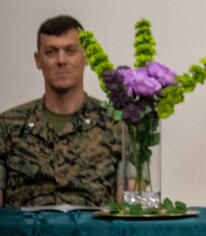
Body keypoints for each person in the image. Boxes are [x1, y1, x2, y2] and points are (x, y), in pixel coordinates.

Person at [0, 15, 122, 207]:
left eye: (71, 50)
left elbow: (131, 210)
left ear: (87, 57)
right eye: (51, 52)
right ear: (38, 60)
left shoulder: (116, 124)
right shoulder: (7, 126)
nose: (61, 60)